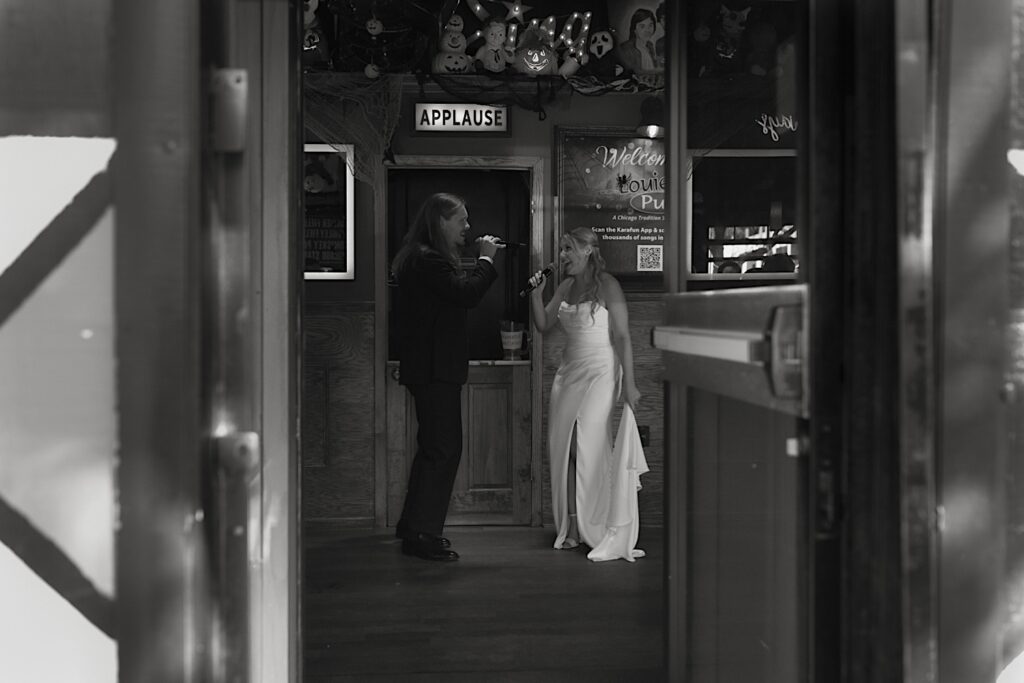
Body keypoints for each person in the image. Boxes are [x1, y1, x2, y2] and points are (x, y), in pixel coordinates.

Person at [391, 193, 502, 561]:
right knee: (444, 449)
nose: (468, 228)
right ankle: (422, 534)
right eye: (462, 221)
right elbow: (467, 294)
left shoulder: (420, 258)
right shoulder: (428, 260)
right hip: (435, 369)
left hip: (429, 368)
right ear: (441, 221)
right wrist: (486, 259)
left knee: (432, 448)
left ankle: (412, 525)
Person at [527, 227, 648, 562]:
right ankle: (574, 529)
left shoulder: (608, 285)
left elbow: (622, 336)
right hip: (568, 375)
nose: (563, 255)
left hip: (601, 371)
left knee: (588, 444)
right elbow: (543, 323)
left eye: (568, 249)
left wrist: (632, 383)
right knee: (564, 447)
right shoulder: (565, 286)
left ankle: (602, 524)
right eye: (562, 249)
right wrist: (536, 295)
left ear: (588, 252)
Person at [617, 8, 659, 74]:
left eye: (650, 25)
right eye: (642, 26)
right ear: (634, 29)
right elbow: (630, 74)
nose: (647, 30)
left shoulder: (650, 45)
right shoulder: (625, 49)